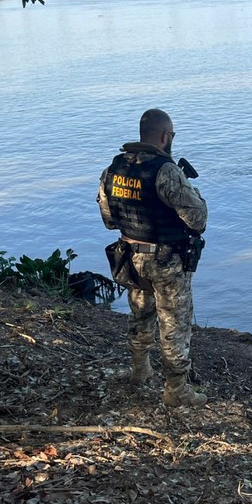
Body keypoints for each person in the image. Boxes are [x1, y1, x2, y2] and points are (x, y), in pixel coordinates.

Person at [97, 108, 208, 407]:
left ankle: (140, 370)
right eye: (172, 135)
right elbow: (198, 219)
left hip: (130, 258)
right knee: (174, 324)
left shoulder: (114, 169)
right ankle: (176, 389)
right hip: (166, 262)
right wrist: (194, 193)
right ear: (164, 136)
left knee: (140, 314)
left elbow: (109, 220)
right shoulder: (167, 171)